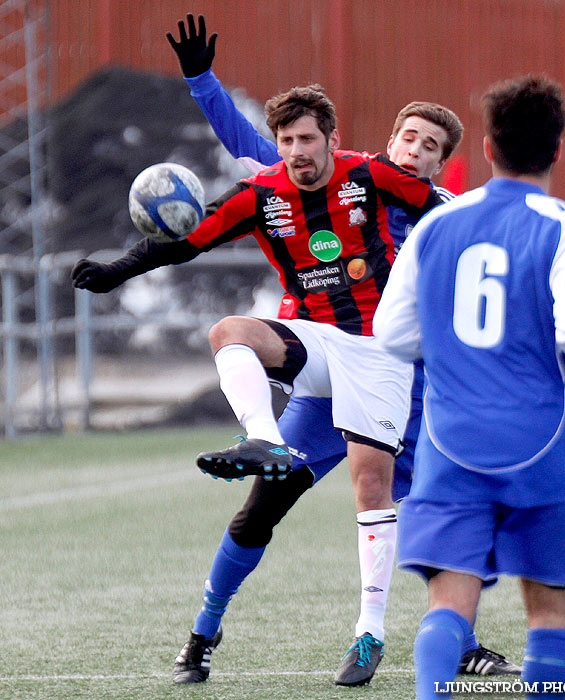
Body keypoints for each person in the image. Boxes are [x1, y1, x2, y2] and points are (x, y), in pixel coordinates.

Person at [165, 13, 520, 685]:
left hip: (400, 389)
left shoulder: (443, 215)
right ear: (390, 140)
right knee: (261, 509)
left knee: (441, 512)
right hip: (323, 380)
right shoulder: (334, 180)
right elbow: (249, 146)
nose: (414, 149)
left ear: (442, 163)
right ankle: (202, 633)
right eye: (407, 136)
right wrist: (202, 81)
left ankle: (460, 640)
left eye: (429, 145)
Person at [71, 83, 444, 685]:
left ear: (333, 140)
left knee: (373, 487)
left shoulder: (371, 176)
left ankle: (370, 632)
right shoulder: (261, 193)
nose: (298, 151)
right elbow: (189, 241)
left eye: (307, 140)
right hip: (315, 345)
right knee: (231, 336)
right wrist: (119, 269)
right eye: (287, 140)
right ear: (278, 145)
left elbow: (446, 211)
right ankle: (205, 623)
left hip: (379, 355)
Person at [373, 75, 565, 699]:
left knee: (448, 607)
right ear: (558, 149)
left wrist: (458, 355)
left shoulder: (436, 226)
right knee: (547, 618)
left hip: (452, 443)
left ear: (484, 147)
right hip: (544, 445)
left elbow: (393, 333)